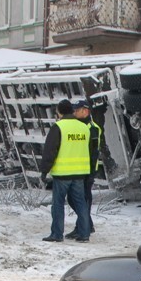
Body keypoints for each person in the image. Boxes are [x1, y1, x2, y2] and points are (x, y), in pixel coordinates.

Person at [39, 99, 92, 243]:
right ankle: (84, 234)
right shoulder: (84, 128)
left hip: (62, 174)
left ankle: (57, 234)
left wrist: (44, 171)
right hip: (80, 172)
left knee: (58, 204)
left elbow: (50, 151)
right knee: (81, 203)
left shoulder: (58, 127)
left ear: (59, 112)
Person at [66, 99, 102, 238]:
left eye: (77, 110)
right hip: (79, 169)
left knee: (81, 199)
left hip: (87, 170)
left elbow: (93, 152)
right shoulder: (78, 126)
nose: (74, 112)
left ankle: (82, 226)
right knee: (75, 198)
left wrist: (90, 172)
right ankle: (87, 224)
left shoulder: (91, 128)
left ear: (85, 111)